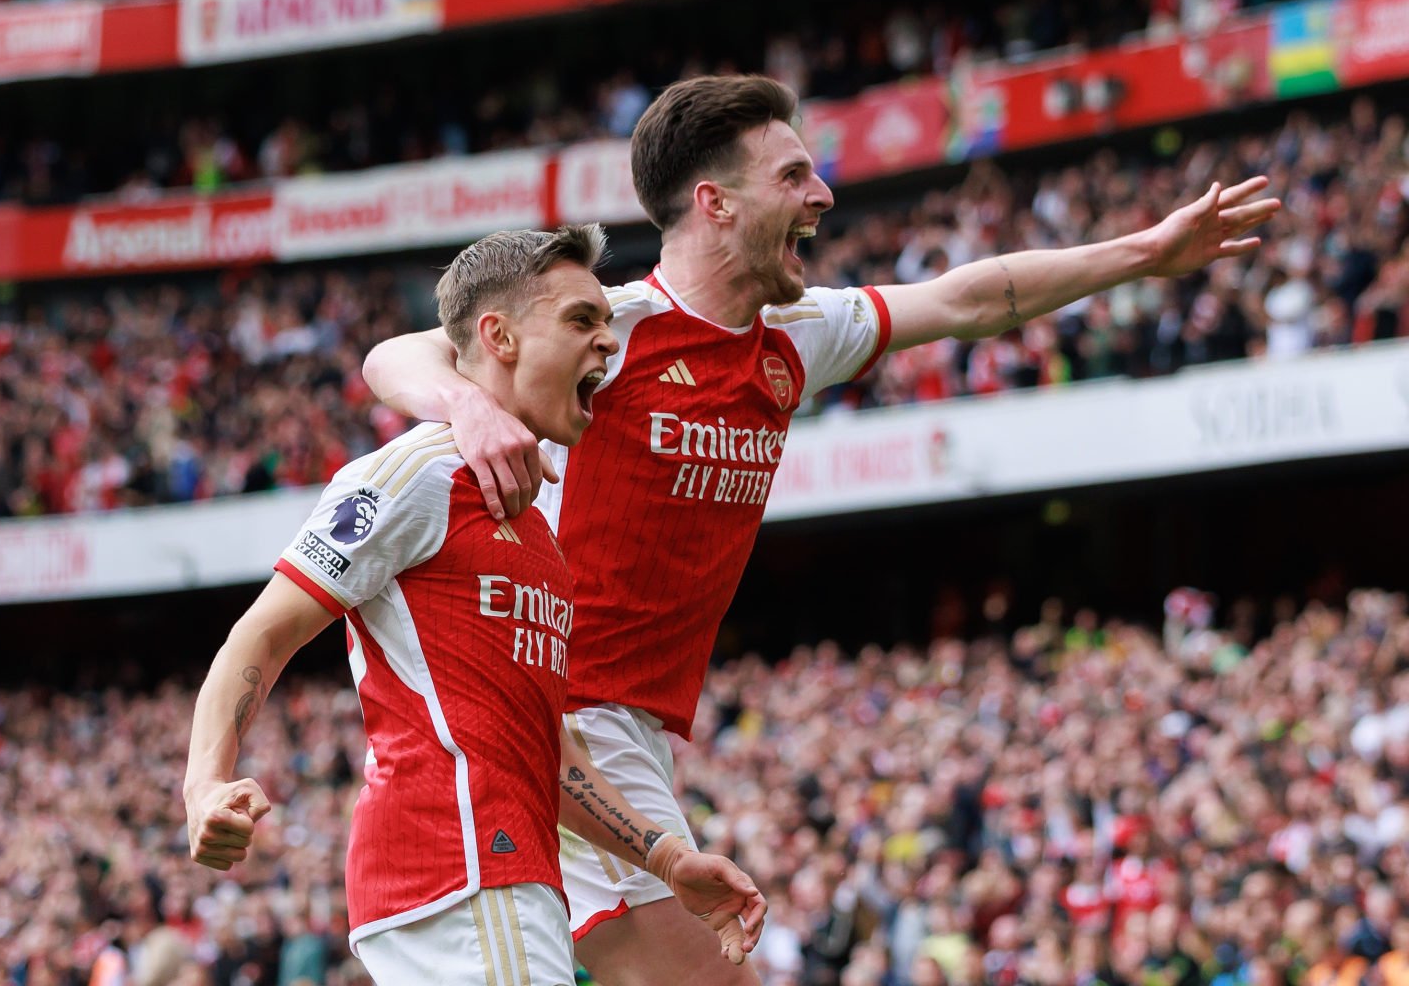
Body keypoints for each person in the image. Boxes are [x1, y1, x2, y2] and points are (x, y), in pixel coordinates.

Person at [359, 74, 1280, 986]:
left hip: (629, 731)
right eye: (794, 175)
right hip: (569, 718)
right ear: (715, 203)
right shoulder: (613, 332)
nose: (823, 194)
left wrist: (1145, 252)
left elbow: (966, 299)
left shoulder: (797, 335)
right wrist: (462, 407)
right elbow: (393, 351)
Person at [184, 224, 766, 986]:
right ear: (499, 336)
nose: (607, 345)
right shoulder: (421, 470)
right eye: (581, 321)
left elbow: (548, 755)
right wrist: (204, 784)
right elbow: (261, 634)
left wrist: (668, 859)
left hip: (501, 877)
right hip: (461, 867)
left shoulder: (537, 530)